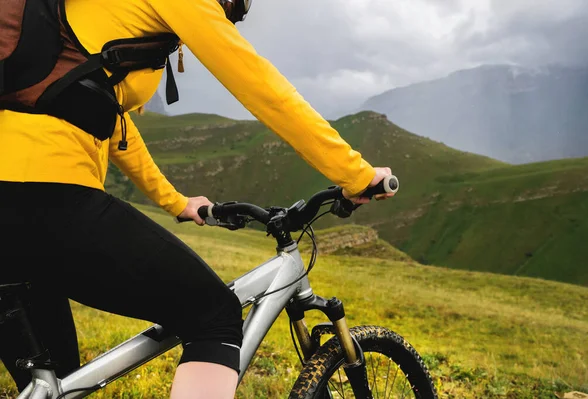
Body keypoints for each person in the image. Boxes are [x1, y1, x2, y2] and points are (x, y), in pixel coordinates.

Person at [0, 0, 396, 397]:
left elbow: (102, 115)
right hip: (42, 194)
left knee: (58, 384)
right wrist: (356, 175)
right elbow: (261, 86)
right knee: (214, 315)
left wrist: (176, 201)